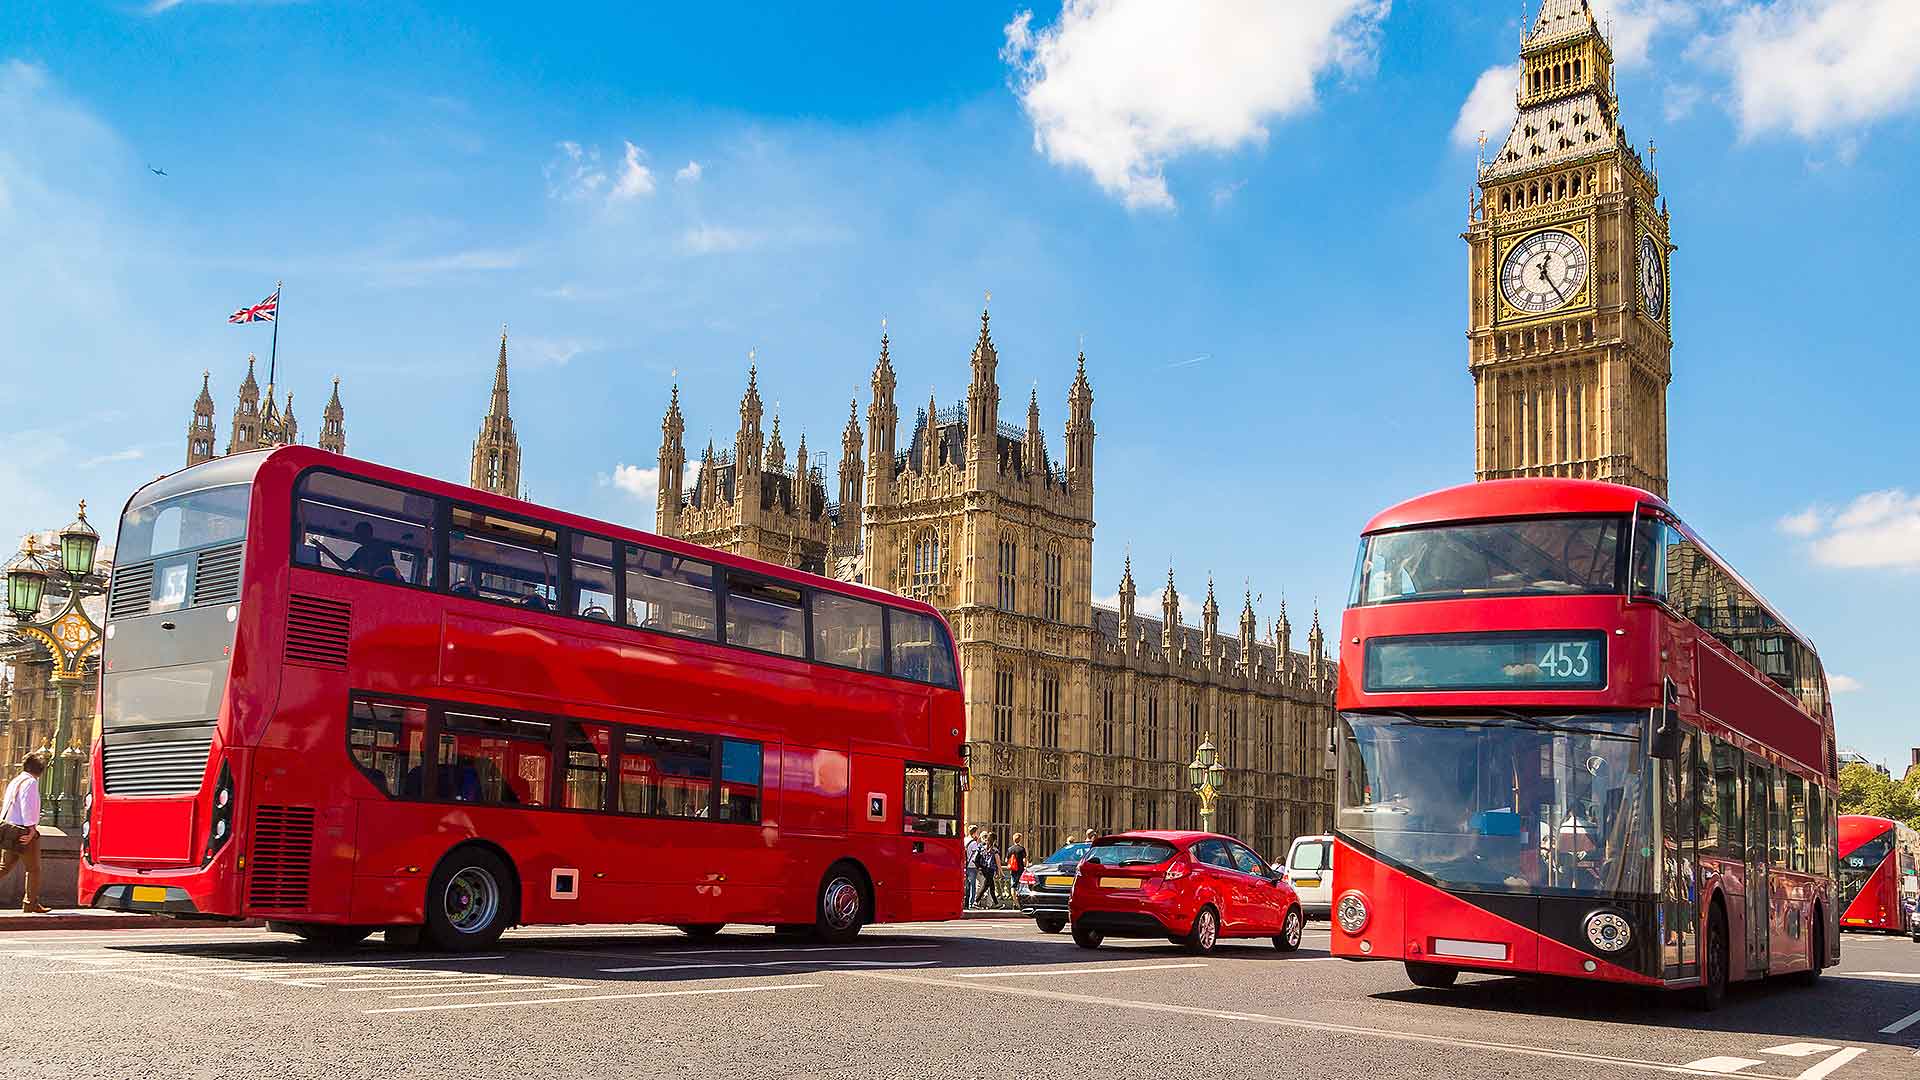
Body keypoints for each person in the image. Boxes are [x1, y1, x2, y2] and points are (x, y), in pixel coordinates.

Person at [0, 754, 52, 914]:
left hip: (9, 829)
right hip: (23, 831)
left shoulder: (16, 781)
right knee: (33, 869)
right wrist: (31, 830)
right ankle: (30, 903)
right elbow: (27, 807)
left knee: (4, 867)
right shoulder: (30, 782)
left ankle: (31, 903)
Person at [973, 831, 1001, 909]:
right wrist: (1000, 872)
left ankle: (996, 904)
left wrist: (979, 867)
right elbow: (998, 862)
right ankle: (976, 901)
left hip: (984, 869)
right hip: (990, 870)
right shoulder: (994, 849)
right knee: (986, 887)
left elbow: (976, 858)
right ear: (994, 840)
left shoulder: (982, 847)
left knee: (991, 887)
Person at [963, 827, 981, 908]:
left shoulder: (965, 840)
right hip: (972, 866)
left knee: (966, 885)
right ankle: (971, 903)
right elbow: (976, 855)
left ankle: (965, 903)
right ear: (974, 833)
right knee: (972, 885)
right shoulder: (974, 843)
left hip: (965, 865)